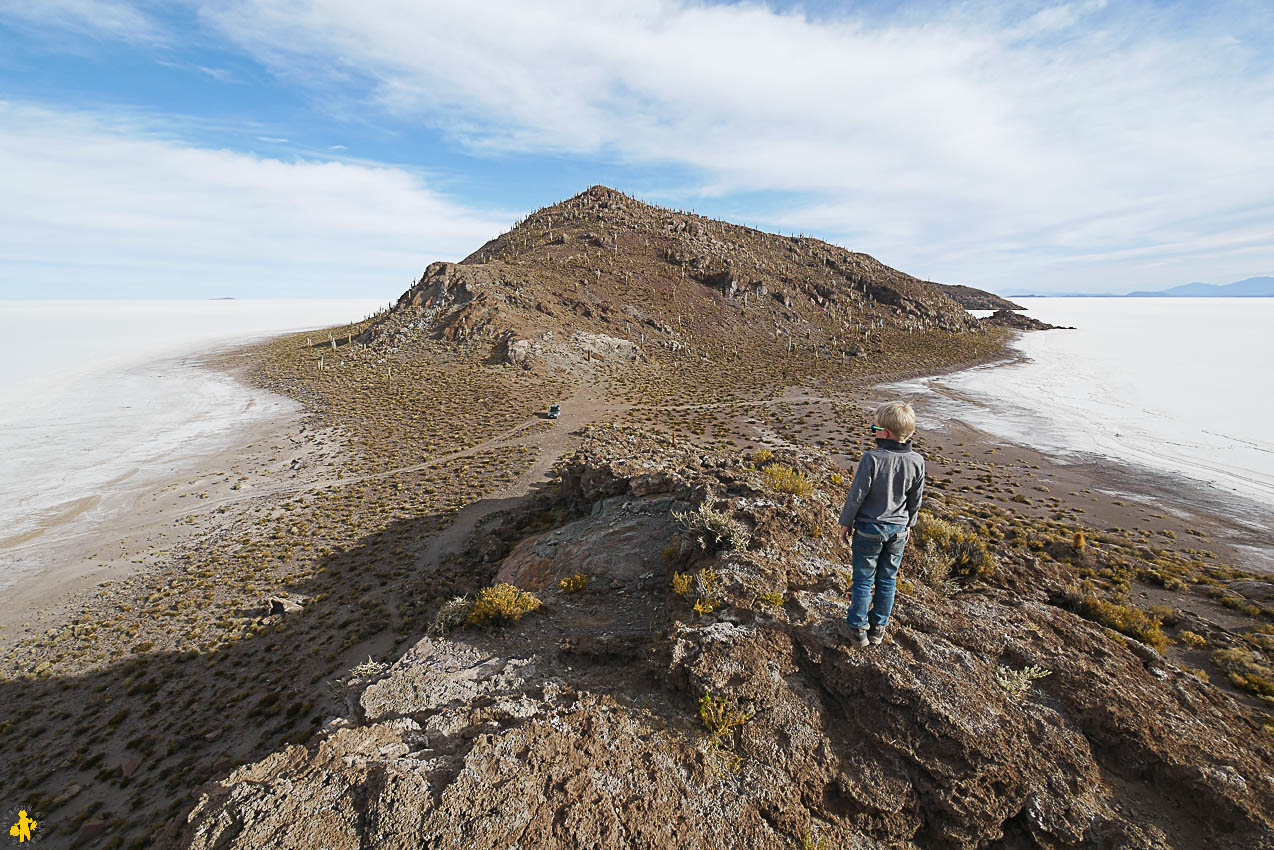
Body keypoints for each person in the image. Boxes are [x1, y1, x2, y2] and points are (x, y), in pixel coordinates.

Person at [836, 401, 925, 648]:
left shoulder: (871, 458)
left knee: (864, 578)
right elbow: (915, 500)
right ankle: (878, 629)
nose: (872, 430)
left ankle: (856, 628)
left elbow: (857, 494)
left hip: (869, 528)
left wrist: (846, 523)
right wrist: (909, 524)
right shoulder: (917, 461)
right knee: (888, 579)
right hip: (898, 530)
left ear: (884, 432)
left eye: (874, 426)